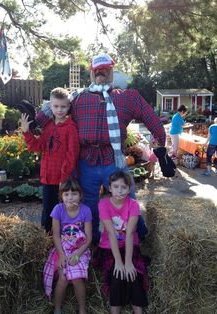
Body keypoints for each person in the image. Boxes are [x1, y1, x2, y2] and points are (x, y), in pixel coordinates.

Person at [28, 53, 166, 243]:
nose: (101, 72)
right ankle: (92, 242)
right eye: (97, 70)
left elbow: (149, 115)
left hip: (114, 158)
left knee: (128, 199)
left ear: (111, 72)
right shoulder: (77, 98)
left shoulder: (127, 98)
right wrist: (31, 122)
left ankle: (140, 236)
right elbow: (49, 112)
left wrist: (160, 144)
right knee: (88, 203)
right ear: (92, 73)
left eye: (105, 69)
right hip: (87, 160)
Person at [21, 87, 79, 233]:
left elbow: (72, 154)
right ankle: (47, 242)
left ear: (69, 106)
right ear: (50, 106)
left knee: (63, 212)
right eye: (56, 106)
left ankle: (66, 241)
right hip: (47, 178)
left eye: (63, 106)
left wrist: (64, 178)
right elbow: (37, 146)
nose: (59, 110)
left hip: (63, 181)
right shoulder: (48, 126)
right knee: (48, 211)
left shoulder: (70, 128)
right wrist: (26, 132)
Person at [94, 170, 148, 314]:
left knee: (134, 274)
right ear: (109, 188)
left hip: (130, 245)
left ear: (129, 188)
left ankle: (138, 311)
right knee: (116, 275)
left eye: (123, 187)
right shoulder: (103, 204)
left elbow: (130, 233)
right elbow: (111, 233)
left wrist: (128, 261)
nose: (120, 190)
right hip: (109, 247)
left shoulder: (134, 205)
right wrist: (119, 261)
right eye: (116, 187)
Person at [43, 179, 92, 314]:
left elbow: (88, 239)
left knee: (76, 278)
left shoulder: (85, 211)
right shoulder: (58, 209)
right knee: (63, 277)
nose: (70, 197)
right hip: (62, 248)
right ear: (61, 196)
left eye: (74, 194)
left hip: (80, 248)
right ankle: (57, 309)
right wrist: (62, 255)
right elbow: (56, 235)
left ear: (80, 195)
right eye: (66, 194)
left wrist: (77, 255)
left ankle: (82, 309)